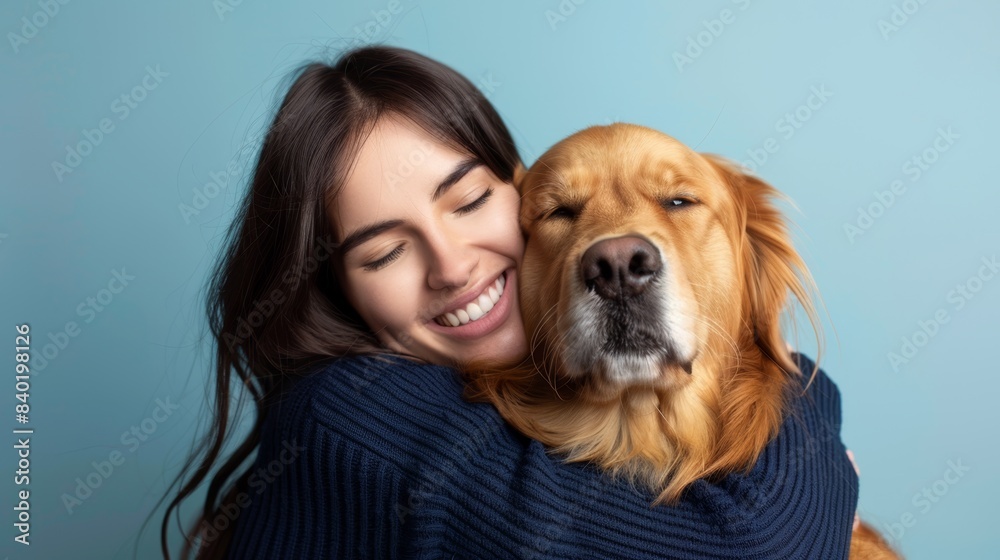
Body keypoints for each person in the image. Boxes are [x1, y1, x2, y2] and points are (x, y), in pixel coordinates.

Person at [159, 45, 860, 559]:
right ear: (331, 290)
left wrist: (800, 396)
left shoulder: (506, 401)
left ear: (510, 193)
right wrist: (817, 432)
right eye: (384, 253)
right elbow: (746, 550)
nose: (454, 266)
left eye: (467, 202)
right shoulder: (348, 415)